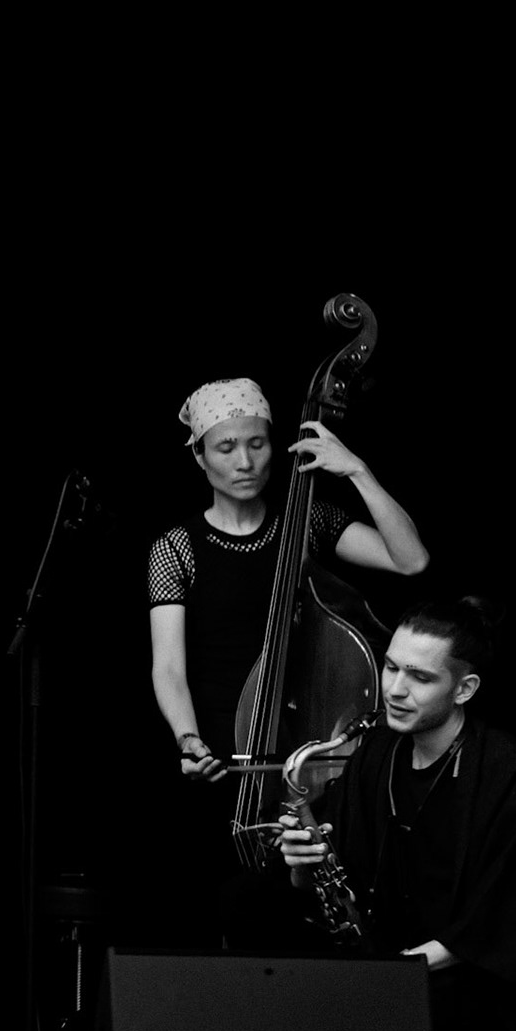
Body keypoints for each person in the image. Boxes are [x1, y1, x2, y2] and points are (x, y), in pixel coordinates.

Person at [145, 376, 430, 945]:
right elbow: (168, 667)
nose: (245, 460)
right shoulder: (175, 548)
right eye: (225, 447)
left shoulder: (309, 522)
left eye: (258, 443)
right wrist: (187, 738)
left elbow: (411, 560)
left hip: (304, 769)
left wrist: (355, 471)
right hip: (224, 764)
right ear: (199, 456)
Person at [278, 599, 516, 1031]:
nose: (394, 689)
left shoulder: (506, 772)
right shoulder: (374, 751)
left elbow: (515, 917)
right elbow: (328, 879)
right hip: (383, 964)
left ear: (465, 689)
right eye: (391, 668)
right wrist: (300, 864)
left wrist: (399, 973)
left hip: (465, 985)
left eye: (420, 677)